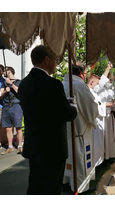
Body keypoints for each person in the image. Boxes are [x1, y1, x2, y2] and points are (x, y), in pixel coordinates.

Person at [18, 45, 77, 195]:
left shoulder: (24, 84)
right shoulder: (53, 84)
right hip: (52, 147)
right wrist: (73, 107)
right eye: (54, 60)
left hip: (34, 143)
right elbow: (65, 114)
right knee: (52, 187)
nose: (55, 64)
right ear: (46, 60)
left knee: (36, 185)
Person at [62, 64, 99, 194]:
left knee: (68, 159)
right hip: (79, 131)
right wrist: (94, 115)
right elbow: (90, 107)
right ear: (82, 74)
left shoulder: (62, 83)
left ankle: (66, 183)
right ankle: (81, 188)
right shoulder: (79, 85)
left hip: (65, 130)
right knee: (80, 158)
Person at [86, 68, 113, 168]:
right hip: (95, 121)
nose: (98, 86)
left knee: (100, 143)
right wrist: (105, 105)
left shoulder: (92, 91)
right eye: (97, 84)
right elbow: (95, 106)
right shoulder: (89, 92)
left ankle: (99, 162)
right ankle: (95, 165)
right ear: (92, 82)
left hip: (100, 120)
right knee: (96, 145)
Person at [0, 66, 24, 155]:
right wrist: (5, 92)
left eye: (5, 71)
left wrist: (11, 84)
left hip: (16, 106)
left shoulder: (19, 82)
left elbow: (20, 92)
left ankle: (20, 146)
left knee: (18, 127)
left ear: (9, 72)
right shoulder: (4, 83)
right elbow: (0, 95)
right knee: (8, 128)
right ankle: (10, 147)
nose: (3, 73)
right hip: (6, 107)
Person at [0, 65, 7, 149]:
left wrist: (4, 91)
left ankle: (2, 141)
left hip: (2, 105)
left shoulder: (4, 81)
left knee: (2, 125)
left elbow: (1, 95)